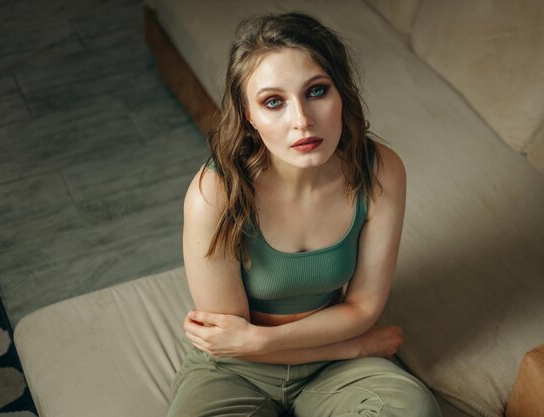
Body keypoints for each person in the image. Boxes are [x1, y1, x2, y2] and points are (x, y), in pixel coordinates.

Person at [167, 11, 442, 417]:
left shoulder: (381, 171)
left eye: (316, 91)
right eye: (273, 102)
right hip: (236, 370)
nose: (302, 121)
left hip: (332, 367)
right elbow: (230, 344)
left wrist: (262, 341)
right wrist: (356, 345)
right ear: (248, 116)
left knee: (413, 410)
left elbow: (363, 309)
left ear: (342, 92)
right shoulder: (215, 194)